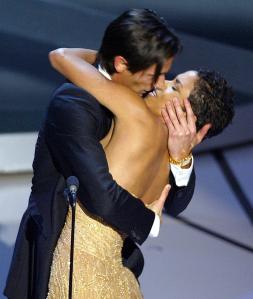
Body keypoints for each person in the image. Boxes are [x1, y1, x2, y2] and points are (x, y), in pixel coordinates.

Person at [5, 9, 199, 299]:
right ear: (122, 63)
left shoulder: (141, 94)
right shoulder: (73, 104)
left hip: (119, 263)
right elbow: (102, 194)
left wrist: (182, 157)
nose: (160, 83)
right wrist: (150, 221)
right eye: (153, 74)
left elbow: (173, 202)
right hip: (63, 261)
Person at [46, 47, 234, 298]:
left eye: (174, 87)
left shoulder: (134, 111)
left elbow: (61, 56)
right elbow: (174, 204)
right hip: (121, 278)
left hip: (79, 270)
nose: (161, 82)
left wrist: (121, 60)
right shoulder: (172, 157)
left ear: (188, 115)